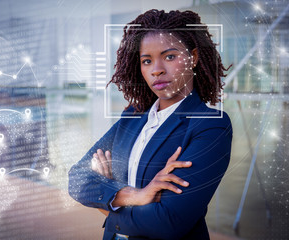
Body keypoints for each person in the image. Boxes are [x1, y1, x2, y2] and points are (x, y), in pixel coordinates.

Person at [68, 9, 232, 240]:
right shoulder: (133, 116)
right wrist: (135, 195)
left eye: (170, 56)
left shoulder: (210, 125)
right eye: (147, 60)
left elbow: (169, 223)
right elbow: (77, 179)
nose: (157, 69)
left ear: (193, 58)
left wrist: (106, 199)